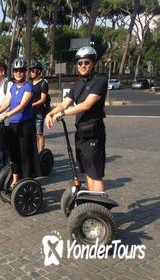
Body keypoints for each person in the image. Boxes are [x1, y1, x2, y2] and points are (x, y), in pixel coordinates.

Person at [45, 46, 107, 192]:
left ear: (93, 63)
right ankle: (92, 203)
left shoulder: (100, 80)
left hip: (94, 133)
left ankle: (98, 208)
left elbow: (86, 105)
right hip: (81, 133)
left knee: (95, 173)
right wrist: (50, 113)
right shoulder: (77, 83)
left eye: (86, 62)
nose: (83, 66)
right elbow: (64, 103)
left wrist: (63, 114)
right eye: (80, 63)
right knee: (87, 171)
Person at [0, 58, 41, 187]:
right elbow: (7, 103)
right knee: (14, 153)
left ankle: (27, 180)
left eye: (21, 71)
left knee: (25, 154)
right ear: (13, 72)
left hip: (25, 126)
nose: (18, 73)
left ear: (25, 72)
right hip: (13, 126)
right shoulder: (13, 86)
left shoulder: (28, 86)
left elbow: (21, 105)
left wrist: (7, 114)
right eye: (16, 71)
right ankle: (15, 179)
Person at [29, 62, 48, 152]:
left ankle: (41, 154)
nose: (31, 72)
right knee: (31, 134)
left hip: (39, 113)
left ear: (39, 71)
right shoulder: (30, 83)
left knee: (39, 134)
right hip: (29, 113)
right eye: (30, 71)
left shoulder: (43, 83)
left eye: (33, 70)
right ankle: (34, 153)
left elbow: (43, 99)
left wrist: (33, 104)